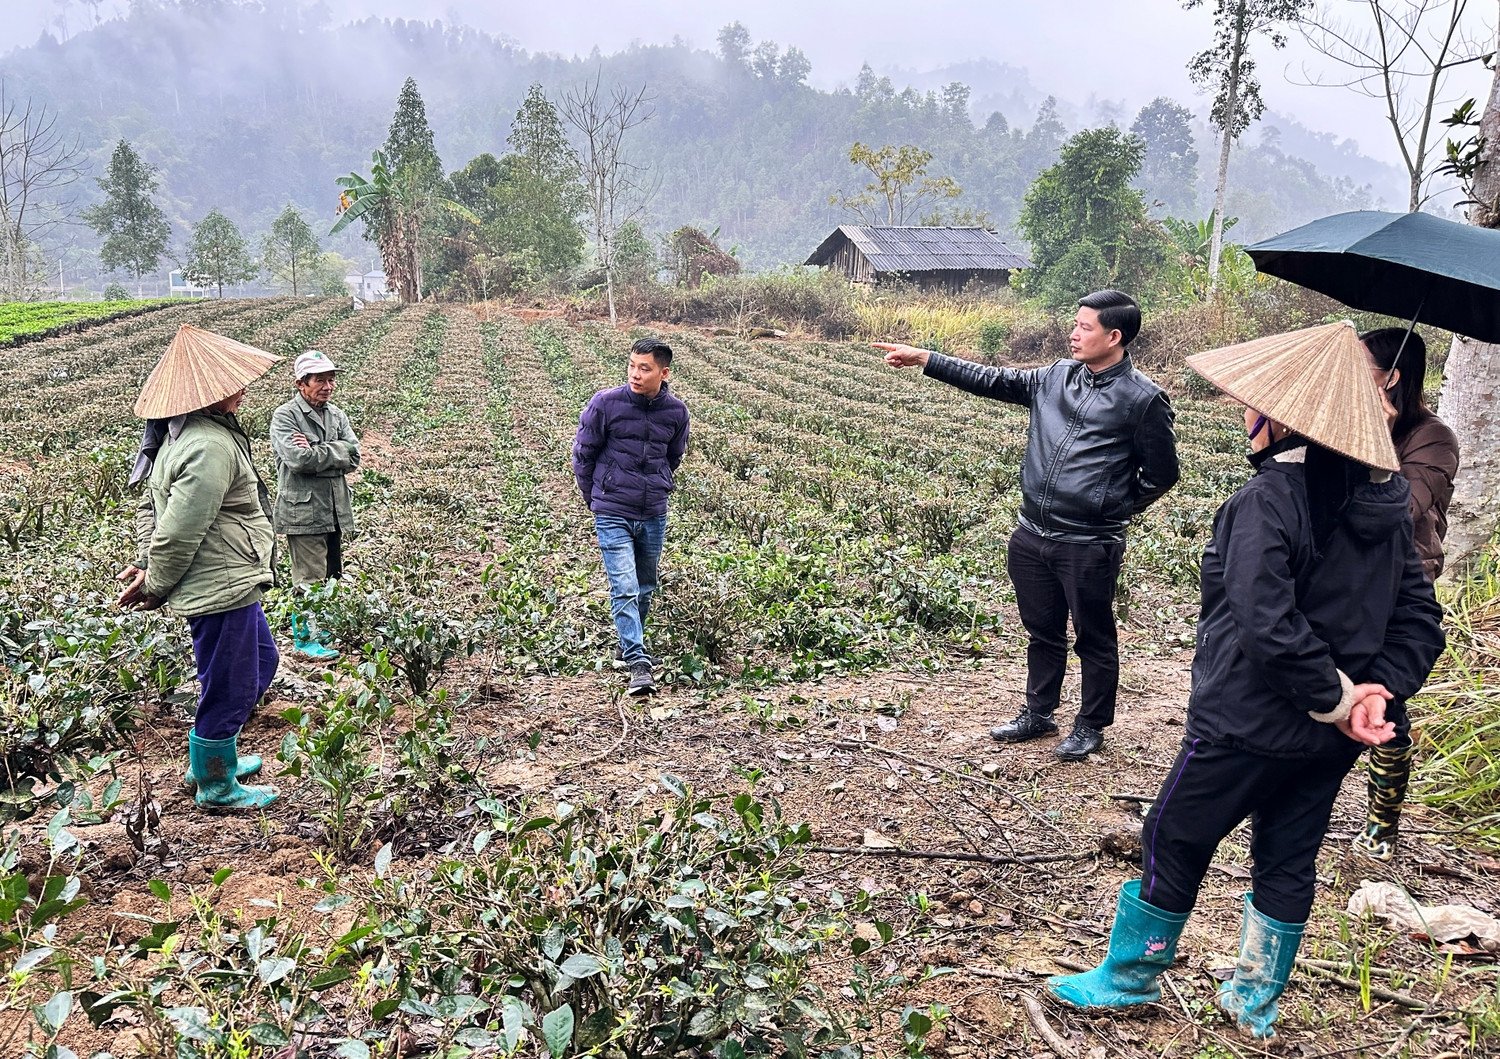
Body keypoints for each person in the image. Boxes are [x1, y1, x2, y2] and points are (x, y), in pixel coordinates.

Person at [1045, 322, 1444, 1040]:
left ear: (1284, 417)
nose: (1244, 414)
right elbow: (1420, 623)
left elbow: (1265, 621)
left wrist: (1335, 696)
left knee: (1176, 832)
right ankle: (1254, 1001)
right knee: (1288, 854)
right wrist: (1373, 693)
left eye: (1253, 405)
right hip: (1330, 741)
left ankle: (1130, 976)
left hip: (1246, 722)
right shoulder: (1386, 512)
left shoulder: (1266, 501)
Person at [878, 290, 1179, 761]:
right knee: (1042, 631)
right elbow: (991, 378)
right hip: (1032, 533)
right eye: (1075, 324)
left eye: (1085, 327)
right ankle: (1039, 713)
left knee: (1093, 637)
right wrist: (927, 358)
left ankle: (1090, 723)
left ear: (1113, 336)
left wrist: (1109, 507)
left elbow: (1163, 474)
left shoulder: (1142, 399)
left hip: (1088, 543)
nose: (1074, 333)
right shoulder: (1055, 377)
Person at [118, 325, 282, 812]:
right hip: (220, 583)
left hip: (233, 577)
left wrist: (152, 569)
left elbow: (168, 517)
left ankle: (212, 753)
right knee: (229, 684)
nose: (242, 387)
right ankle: (214, 783)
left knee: (260, 664)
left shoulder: (190, 434)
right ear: (208, 393)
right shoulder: (208, 445)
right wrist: (156, 583)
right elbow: (180, 528)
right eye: (232, 381)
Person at [1353, 327, 1461, 862]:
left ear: (1392, 377)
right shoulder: (1350, 417)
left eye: (1363, 367)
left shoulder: (1432, 439)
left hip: (1401, 581)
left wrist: (1373, 442)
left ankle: (1382, 820)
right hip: (1345, 575)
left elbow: (1404, 510)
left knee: (1385, 695)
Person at [572, 336, 691, 696]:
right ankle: (639, 662)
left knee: (645, 586)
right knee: (623, 586)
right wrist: (597, 496)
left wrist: (658, 485)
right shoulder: (605, 404)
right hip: (613, 510)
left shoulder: (677, 413)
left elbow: (673, 457)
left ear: (663, 372)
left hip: (653, 511)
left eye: (645, 368)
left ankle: (629, 641)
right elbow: (583, 455)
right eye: (632, 366)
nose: (635, 374)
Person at [269, 349, 361, 662]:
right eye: (319, 379)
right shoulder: (286, 416)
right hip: (303, 511)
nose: (327, 385)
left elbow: (355, 456)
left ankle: (325, 632)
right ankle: (305, 641)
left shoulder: (336, 415)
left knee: (332, 577)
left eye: (331, 379)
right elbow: (299, 460)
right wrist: (335, 453)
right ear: (301, 383)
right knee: (308, 581)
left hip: (334, 508)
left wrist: (321, 452)